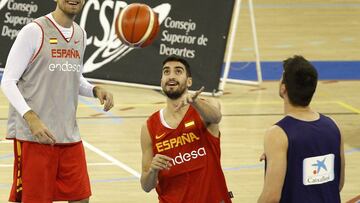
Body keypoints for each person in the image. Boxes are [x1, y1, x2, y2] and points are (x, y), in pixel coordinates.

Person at [0, 0, 114, 202]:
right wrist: (31, 117)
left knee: (81, 198)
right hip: (35, 138)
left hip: (69, 136)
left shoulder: (81, 34)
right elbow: (8, 81)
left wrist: (95, 90)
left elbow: (74, 77)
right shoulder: (34, 31)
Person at [140, 56, 232, 203]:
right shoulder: (149, 127)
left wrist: (195, 102)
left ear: (189, 81)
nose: (171, 76)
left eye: (178, 71)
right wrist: (153, 170)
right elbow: (146, 185)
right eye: (166, 72)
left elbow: (216, 117)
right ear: (161, 81)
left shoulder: (204, 110)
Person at [257, 55, 345, 203]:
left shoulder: (278, 134)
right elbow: (338, 184)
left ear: (283, 88)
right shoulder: (334, 126)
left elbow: (271, 198)